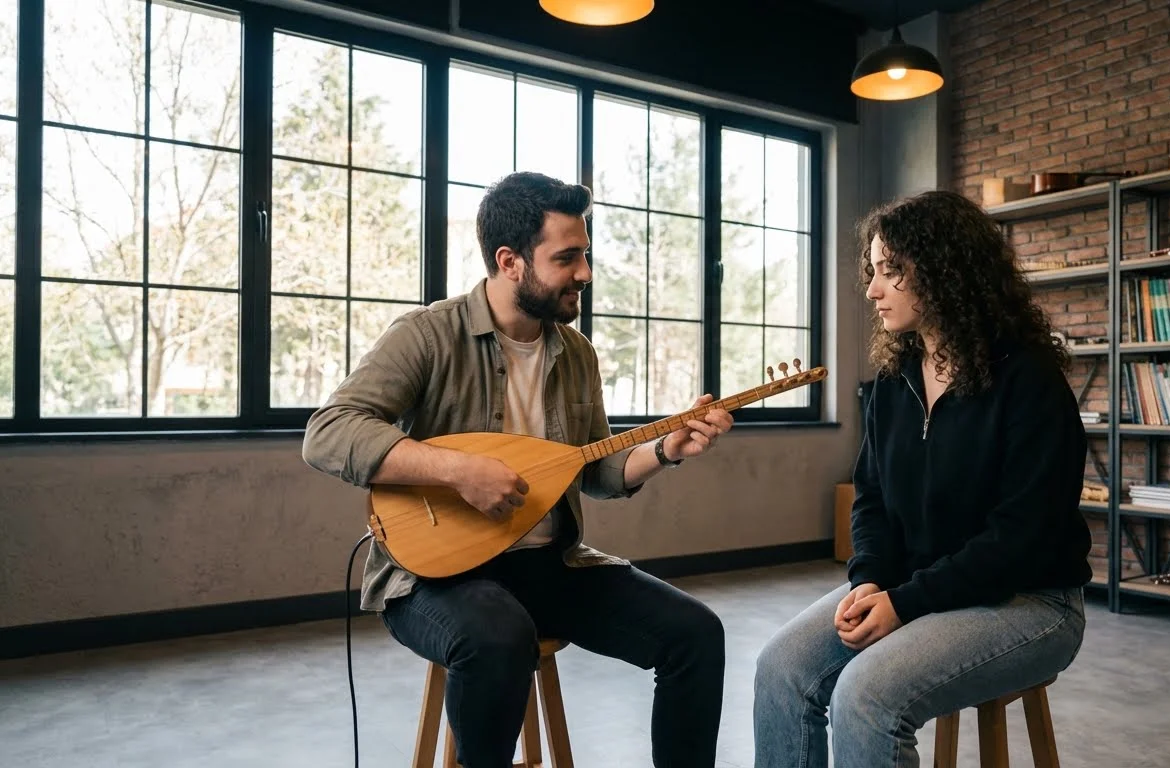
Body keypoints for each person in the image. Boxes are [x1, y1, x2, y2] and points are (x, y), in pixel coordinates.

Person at [302, 171, 733, 768]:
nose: (585, 273)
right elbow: (329, 431)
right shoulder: (428, 335)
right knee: (499, 636)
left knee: (695, 634)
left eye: (585, 254)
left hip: (549, 566)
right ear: (510, 261)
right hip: (434, 579)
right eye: (567, 258)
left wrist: (666, 450)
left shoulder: (576, 353)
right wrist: (458, 472)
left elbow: (598, 472)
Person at [752, 190, 1092, 767]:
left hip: (1030, 601)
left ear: (944, 272)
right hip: (913, 587)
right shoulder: (895, 378)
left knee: (867, 695)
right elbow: (873, 499)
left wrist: (906, 602)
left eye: (892, 272)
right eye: (873, 270)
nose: (872, 289)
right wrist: (869, 580)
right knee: (781, 667)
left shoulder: (1028, 380)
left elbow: (1022, 537)